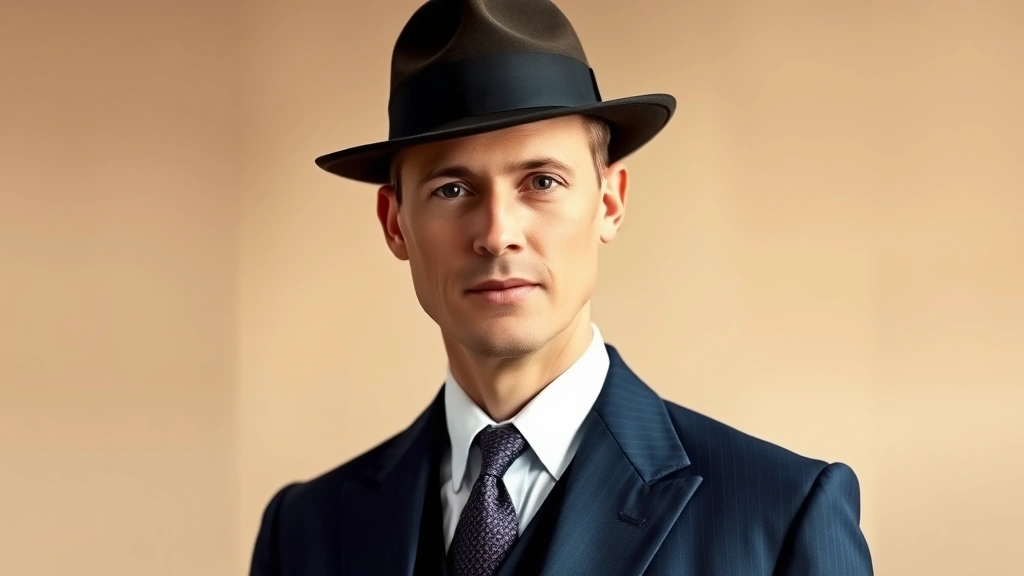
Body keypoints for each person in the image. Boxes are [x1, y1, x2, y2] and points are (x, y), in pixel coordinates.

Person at [249, 0, 874, 574]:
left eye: (542, 182)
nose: (497, 235)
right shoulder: (305, 532)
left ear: (608, 201)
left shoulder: (782, 515)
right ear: (395, 224)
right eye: (452, 190)